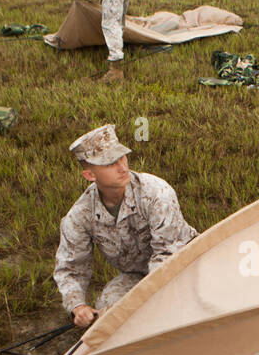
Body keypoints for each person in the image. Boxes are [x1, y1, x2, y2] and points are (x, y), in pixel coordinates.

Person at [54, 124, 198, 326]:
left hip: (184, 265)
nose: (122, 167)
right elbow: (70, 268)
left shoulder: (156, 193)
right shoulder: (79, 216)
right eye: (110, 163)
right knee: (105, 311)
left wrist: (136, 303)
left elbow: (168, 255)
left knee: (173, 311)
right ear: (90, 175)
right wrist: (78, 306)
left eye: (121, 157)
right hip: (137, 274)